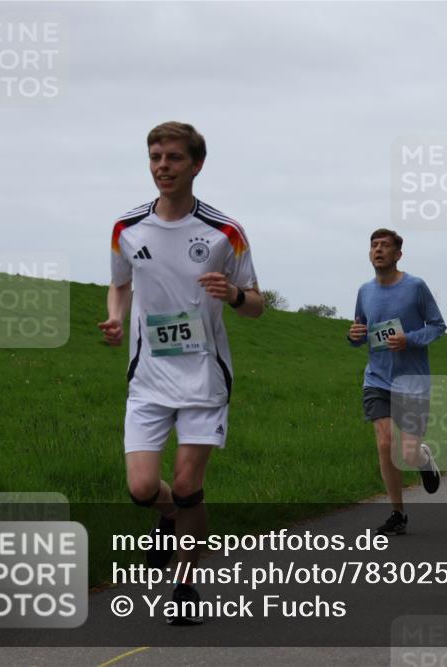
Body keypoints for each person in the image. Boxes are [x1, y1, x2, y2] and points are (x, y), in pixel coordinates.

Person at [98, 122, 264, 625]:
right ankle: (167, 517)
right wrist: (117, 318)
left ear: (196, 164)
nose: (161, 166)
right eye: (154, 157)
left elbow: (256, 304)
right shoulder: (127, 228)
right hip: (147, 378)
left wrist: (234, 295)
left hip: (203, 378)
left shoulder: (224, 232)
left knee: (189, 484)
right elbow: (120, 284)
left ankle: (186, 581)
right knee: (143, 489)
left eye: (172, 158)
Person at [347, 229, 446, 536]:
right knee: (385, 443)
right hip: (377, 379)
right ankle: (397, 514)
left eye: (385, 246)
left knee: (409, 452)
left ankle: (424, 460)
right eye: (374, 245)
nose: (378, 250)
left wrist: (410, 340)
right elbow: (360, 331)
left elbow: (438, 327)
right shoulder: (364, 291)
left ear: (398, 254)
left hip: (413, 381)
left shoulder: (415, 287)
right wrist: (352, 337)